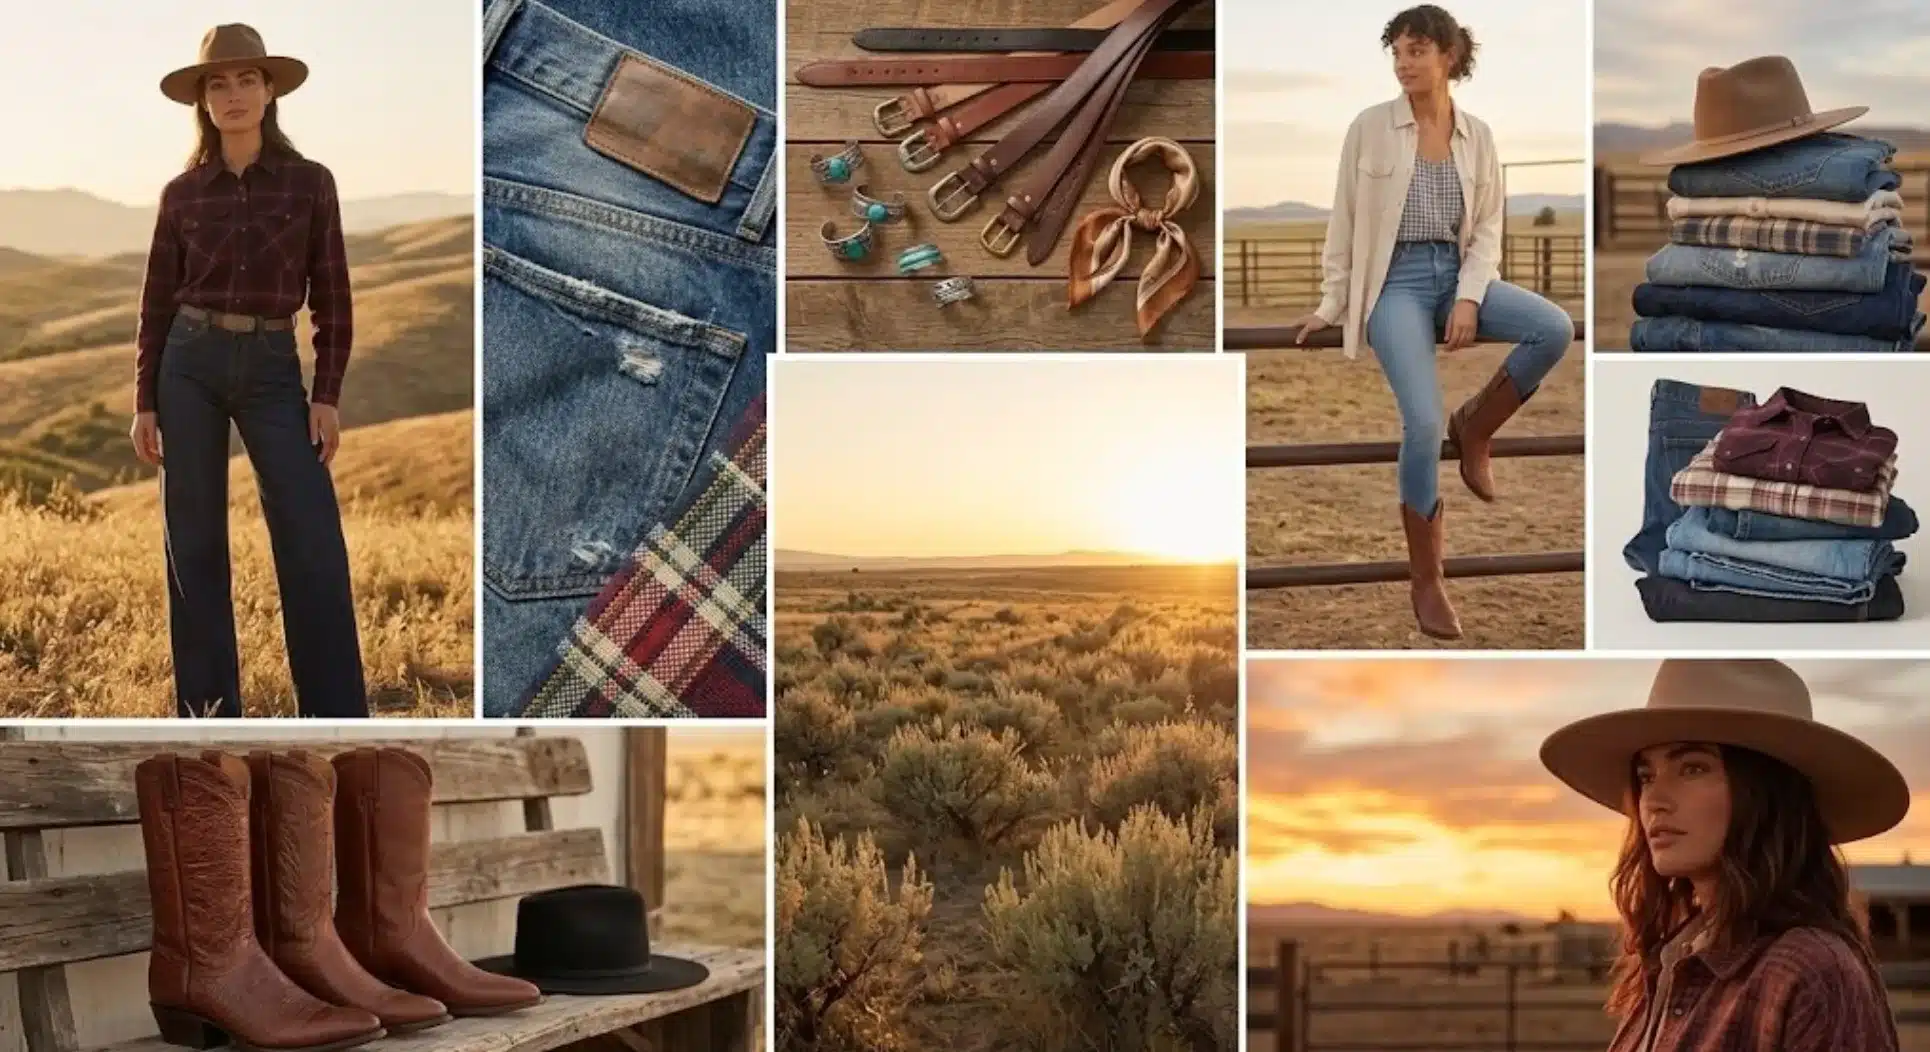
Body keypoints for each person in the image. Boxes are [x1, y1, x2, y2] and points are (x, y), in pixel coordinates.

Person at [1295, 5, 1574, 640]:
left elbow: (1487, 229)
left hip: (1457, 274)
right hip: (1394, 285)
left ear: (1448, 55)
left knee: (1553, 328)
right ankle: (1428, 580)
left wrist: (1472, 296)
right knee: (1420, 423)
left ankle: (1475, 427)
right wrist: (1332, 303)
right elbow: (1343, 218)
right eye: (1395, 51)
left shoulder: (1478, 134)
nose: (1403, 63)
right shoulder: (1368, 127)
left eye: (1416, 50)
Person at [130, 25, 367, 717]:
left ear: (269, 91)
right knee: (194, 542)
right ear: (202, 102)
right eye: (217, 84)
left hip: (271, 368)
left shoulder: (310, 182)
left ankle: (336, 713)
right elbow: (154, 302)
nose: (232, 95)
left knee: (311, 535)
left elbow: (333, 295)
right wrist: (145, 399)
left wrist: (326, 394)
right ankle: (207, 713)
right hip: (188, 365)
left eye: (245, 81)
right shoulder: (181, 194)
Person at [1540, 659, 1907, 1052]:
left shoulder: (1809, 972)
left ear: (1766, 793)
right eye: (1646, 777)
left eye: (1693, 768)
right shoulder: (1674, 960)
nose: (1655, 802)